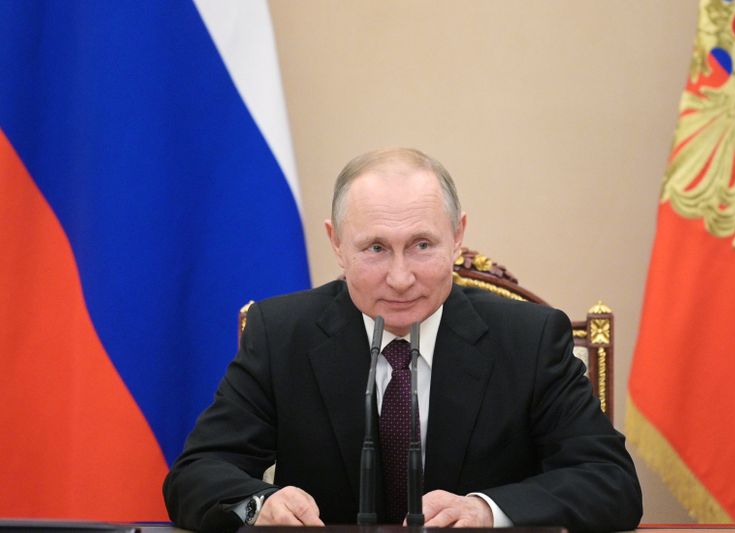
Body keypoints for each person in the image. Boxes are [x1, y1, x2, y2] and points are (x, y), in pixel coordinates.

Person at [163, 148, 642, 532]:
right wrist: (259, 504)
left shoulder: (530, 339)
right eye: (375, 248)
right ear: (336, 244)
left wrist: (487, 510)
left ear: (457, 236)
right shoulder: (282, 333)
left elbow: (610, 484)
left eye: (422, 245)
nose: (399, 278)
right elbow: (195, 476)